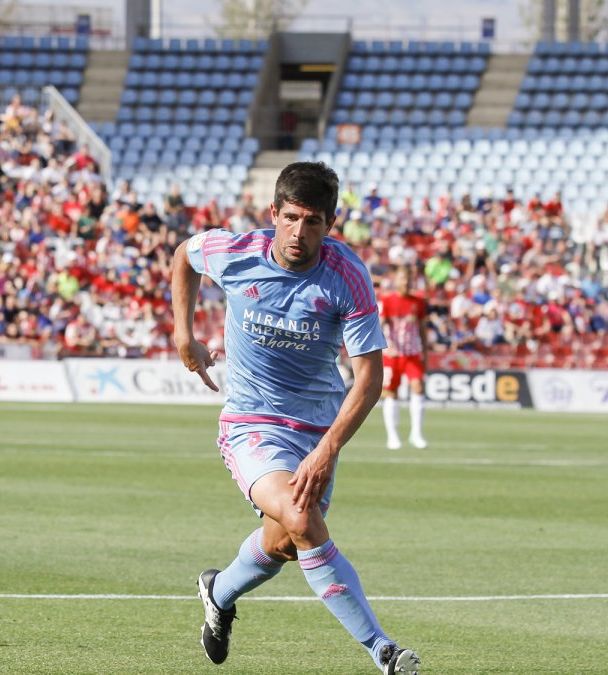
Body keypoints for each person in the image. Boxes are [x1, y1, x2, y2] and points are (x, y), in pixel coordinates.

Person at [171, 161, 421, 674]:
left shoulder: (347, 274)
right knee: (304, 518)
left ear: (330, 225)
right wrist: (183, 334)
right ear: (273, 213)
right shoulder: (235, 252)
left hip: (317, 429)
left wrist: (328, 448)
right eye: (291, 218)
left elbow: (369, 378)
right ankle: (383, 650)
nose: (299, 233)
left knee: (285, 541)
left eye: (313, 222)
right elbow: (184, 257)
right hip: (250, 421)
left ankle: (218, 592)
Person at [378, 264, 429, 450]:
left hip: (412, 352)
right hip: (393, 354)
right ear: (396, 280)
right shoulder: (387, 300)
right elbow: (379, 325)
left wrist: (425, 351)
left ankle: (417, 433)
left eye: (408, 279)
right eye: (402, 278)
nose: (405, 282)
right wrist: (386, 345)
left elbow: (422, 329)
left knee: (417, 387)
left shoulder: (418, 302)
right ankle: (393, 436)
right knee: (392, 392)